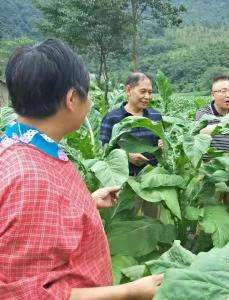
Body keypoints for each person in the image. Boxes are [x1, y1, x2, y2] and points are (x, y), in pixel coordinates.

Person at [0, 39, 162, 299]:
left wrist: (86, 203)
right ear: (72, 99)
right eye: (87, 94)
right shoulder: (30, 179)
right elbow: (30, 294)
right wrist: (129, 292)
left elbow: (35, 220)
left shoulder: (23, 148)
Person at [100, 72, 162, 176]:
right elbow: (103, 149)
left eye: (150, 92)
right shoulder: (111, 118)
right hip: (124, 180)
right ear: (128, 90)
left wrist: (163, 144)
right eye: (143, 92)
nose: (147, 96)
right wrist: (126, 156)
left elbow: (162, 139)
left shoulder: (156, 115)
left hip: (153, 178)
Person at [195, 76, 229, 155]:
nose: (228, 95)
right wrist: (226, 123)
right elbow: (200, 132)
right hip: (210, 164)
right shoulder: (204, 113)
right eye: (223, 91)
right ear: (213, 95)